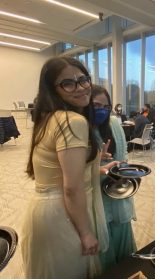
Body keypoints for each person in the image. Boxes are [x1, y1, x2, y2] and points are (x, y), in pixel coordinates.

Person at [22, 57, 109, 279]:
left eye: (83, 79)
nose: (80, 88)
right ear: (53, 89)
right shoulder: (72, 121)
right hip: (62, 213)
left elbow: (56, 170)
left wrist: (94, 167)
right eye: (68, 83)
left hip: (43, 209)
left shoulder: (48, 118)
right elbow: (71, 188)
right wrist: (86, 233)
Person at [92, 85, 137, 270]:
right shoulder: (83, 129)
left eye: (106, 106)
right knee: (105, 243)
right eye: (96, 105)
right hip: (96, 196)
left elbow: (124, 151)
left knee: (122, 236)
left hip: (119, 190)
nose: (102, 110)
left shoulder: (114, 123)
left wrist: (124, 169)